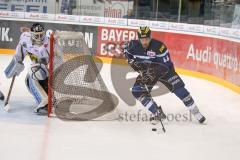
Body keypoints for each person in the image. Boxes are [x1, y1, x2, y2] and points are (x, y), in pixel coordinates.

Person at [123, 26, 206, 124]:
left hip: (165, 71)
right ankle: (157, 113)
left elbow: (165, 65)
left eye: (146, 39)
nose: (144, 42)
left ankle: (196, 113)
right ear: (139, 38)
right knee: (137, 91)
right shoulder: (133, 45)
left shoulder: (159, 47)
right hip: (147, 72)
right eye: (142, 39)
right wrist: (131, 60)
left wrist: (152, 73)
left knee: (180, 90)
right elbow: (126, 51)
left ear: (150, 37)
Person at [4, 23, 50, 115]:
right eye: (37, 35)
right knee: (29, 80)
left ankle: (46, 103)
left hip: (48, 73)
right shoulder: (25, 39)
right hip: (38, 72)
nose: (40, 37)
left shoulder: (49, 43)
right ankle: (45, 100)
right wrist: (16, 66)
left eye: (42, 35)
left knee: (35, 70)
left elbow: (58, 61)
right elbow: (18, 56)